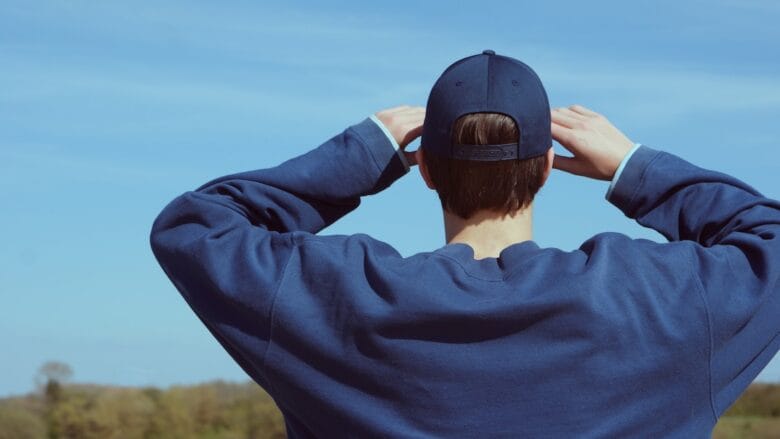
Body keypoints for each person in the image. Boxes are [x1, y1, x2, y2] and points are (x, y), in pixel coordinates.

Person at [149, 50, 780, 438]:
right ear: (545, 169)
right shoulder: (661, 301)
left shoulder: (335, 299)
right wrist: (637, 168)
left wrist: (358, 155)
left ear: (423, 170)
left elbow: (196, 227)